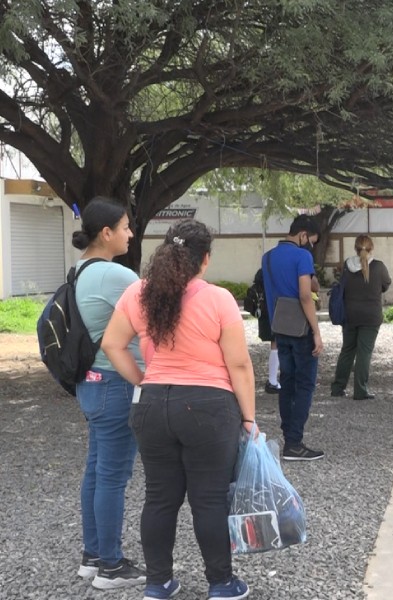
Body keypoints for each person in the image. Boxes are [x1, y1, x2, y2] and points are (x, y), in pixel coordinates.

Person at [102, 219, 255, 600]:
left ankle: (158, 583)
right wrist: (249, 418)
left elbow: (112, 344)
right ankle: (221, 583)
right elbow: (238, 365)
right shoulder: (217, 298)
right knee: (208, 498)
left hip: (153, 404)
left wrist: (143, 380)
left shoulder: (139, 293)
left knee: (159, 497)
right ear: (204, 259)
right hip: (208, 406)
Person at [72, 197, 146, 590]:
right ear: (107, 233)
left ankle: (93, 556)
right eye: (125, 228)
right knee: (113, 476)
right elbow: (163, 307)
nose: (130, 234)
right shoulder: (117, 276)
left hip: (91, 383)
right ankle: (111, 568)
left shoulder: (79, 269)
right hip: (116, 383)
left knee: (97, 471)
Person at [261, 214, 324, 461]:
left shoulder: (267, 258)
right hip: (301, 328)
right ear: (303, 235)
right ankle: (295, 443)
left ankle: (289, 436)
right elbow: (305, 295)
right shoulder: (302, 256)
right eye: (312, 241)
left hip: (280, 327)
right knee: (305, 384)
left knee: (287, 382)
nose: (311, 246)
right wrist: (316, 332)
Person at [330, 235, 392, 400]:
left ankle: (338, 387)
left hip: (349, 315)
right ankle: (360, 390)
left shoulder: (346, 266)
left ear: (356, 248)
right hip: (371, 316)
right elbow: (386, 284)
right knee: (364, 352)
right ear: (371, 248)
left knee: (347, 350)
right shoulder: (379, 267)